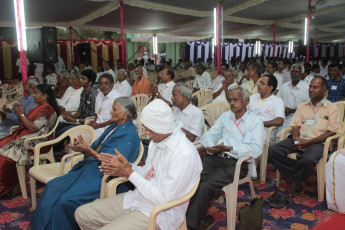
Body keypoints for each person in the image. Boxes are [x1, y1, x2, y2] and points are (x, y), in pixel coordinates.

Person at [75, 99, 202, 230]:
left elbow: (164, 199)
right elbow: (148, 173)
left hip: (160, 213)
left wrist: (129, 174)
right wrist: (127, 167)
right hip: (138, 198)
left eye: (149, 129)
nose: (146, 133)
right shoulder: (156, 142)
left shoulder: (184, 154)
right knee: (82, 214)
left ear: (162, 126)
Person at [30, 97, 140, 230]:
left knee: (66, 199)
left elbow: (113, 163)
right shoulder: (113, 126)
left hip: (104, 176)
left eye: (114, 109)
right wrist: (83, 148)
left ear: (125, 113)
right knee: (53, 186)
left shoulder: (129, 135)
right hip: (89, 168)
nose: (111, 112)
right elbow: (96, 148)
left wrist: (89, 151)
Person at [186, 86, 264, 229]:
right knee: (191, 179)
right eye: (230, 100)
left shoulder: (255, 121)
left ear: (246, 101)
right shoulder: (225, 117)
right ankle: (186, 217)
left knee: (205, 185)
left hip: (236, 164)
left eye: (236, 100)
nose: (232, 103)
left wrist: (231, 149)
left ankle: (188, 225)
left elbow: (257, 150)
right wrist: (211, 145)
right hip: (216, 157)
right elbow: (209, 136)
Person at [269, 76, 342, 194]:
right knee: (274, 151)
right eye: (310, 87)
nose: (311, 90)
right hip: (300, 139)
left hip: (318, 142)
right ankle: (297, 177)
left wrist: (308, 142)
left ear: (324, 90)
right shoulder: (302, 106)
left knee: (307, 159)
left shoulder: (332, 108)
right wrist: (296, 139)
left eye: (315, 87)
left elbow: (332, 131)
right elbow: (295, 125)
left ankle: (296, 182)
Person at [0, 84, 59, 197]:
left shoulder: (46, 109)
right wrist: (20, 114)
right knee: (2, 145)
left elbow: (33, 128)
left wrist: (21, 114)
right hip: (28, 136)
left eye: (36, 93)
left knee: (4, 155)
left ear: (45, 96)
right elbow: (28, 123)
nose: (34, 96)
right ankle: (14, 183)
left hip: (37, 142)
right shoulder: (38, 106)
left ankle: (6, 186)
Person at [55, 69, 98, 138]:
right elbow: (80, 111)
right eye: (81, 78)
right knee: (60, 125)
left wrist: (74, 120)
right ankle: (55, 147)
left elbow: (91, 118)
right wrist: (71, 117)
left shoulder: (93, 95)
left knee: (63, 131)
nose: (80, 80)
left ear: (90, 83)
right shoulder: (83, 92)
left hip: (87, 124)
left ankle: (54, 147)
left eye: (83, 79)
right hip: (80, 121)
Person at [277, 63, 309, 140]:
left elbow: (308, 106)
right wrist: (283, 109)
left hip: (297, 117)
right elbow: (278, 101)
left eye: (297, 72)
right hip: (283, 115)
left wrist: (293, 110)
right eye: (292, 71)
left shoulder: (306, 88)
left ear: (301, 74)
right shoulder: (285, 86)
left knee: (286, 135)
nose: (294, 73)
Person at [88, 73, 122, 138]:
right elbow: (98, 114)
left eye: (106, 83)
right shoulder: (99, 95)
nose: (103, 86)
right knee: (76, 136)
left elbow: (116, 119)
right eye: (101, 84)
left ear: (112, 85)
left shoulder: (117, 98)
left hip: (108, 129)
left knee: (86, 140)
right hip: (97, 127)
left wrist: (98, 125)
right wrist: (94, 122)